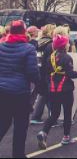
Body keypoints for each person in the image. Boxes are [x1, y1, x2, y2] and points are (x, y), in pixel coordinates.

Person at [37, 29, 77, 149]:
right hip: (65, 89)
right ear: (64, 45)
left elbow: (48, 72)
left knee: (54, 114)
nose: (69, 44)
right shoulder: (67, 57)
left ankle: (43, 132)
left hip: (53, 89)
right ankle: (66, 137)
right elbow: (70, 74)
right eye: (67, 43)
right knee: (67, 113)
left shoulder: (51, 57)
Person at [0, 20, 40, 158]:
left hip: (2, 91)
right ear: (24, 32)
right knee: (20, 126)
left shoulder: (1, 46)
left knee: (3, 122)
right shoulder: (29, 49)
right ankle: (18, 154)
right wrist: (40, 85)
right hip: (20, 93)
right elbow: (32, 72)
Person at [30, 24, 56, 125]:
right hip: (45, 71)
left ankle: (41, 116)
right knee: (46, 94)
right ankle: (50, 118)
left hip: (38, 69)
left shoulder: (39, 41)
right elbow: (50, 60)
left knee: (44, 94)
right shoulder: (50, 43)